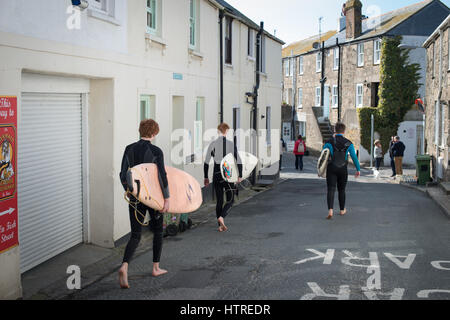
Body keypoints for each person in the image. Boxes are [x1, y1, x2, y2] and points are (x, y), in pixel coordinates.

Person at [118, 119, 170, 289]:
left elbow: (123, 173)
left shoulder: (129, 148)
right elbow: (162, 176)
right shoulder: (156, 151)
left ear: (140, 131)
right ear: (154, 134)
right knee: (157, 231)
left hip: (135, 197)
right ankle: (156, 267)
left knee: (135, 234)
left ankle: (125, 265)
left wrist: (130, 190)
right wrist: (167, 198)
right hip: (153, 198)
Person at [204, 123, 242, 232]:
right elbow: (238, 160)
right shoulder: (230, 144)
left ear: (218, 131)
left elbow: (206, 162)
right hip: (227, 175)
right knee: (230, 200)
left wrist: (206, 177)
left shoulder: (213, 144)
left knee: (219, 201)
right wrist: (239, 175)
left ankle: (219, 225)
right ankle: (222, 217)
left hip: (216, 175)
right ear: (226, 131)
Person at [323, 122, 361, 220]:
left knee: (331, 189)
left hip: (331, 167)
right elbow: (354, 157)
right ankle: (342, 210)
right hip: (343, 168)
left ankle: (330, 210)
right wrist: (358, 169)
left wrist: (321, 170)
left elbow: (323, 156)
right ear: (344, 131)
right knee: (342, 190)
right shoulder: (348, 143)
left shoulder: (329, 142)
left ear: (334, 130)